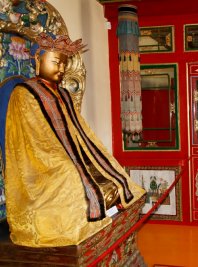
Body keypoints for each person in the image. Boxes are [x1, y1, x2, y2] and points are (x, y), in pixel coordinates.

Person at [2, 32, 145, 247]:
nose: (61, 69)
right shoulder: (24, 94)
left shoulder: (64, 94)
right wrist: (67, 159)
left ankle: (111, 220)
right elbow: (35, 140)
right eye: (56, 62)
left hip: (72, 153)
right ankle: (83, 226)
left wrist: (94, 155)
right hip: (40, 164)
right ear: (37, 59)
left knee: (110, 169)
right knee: (71, 175)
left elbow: (80, 132)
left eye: (64, 64)